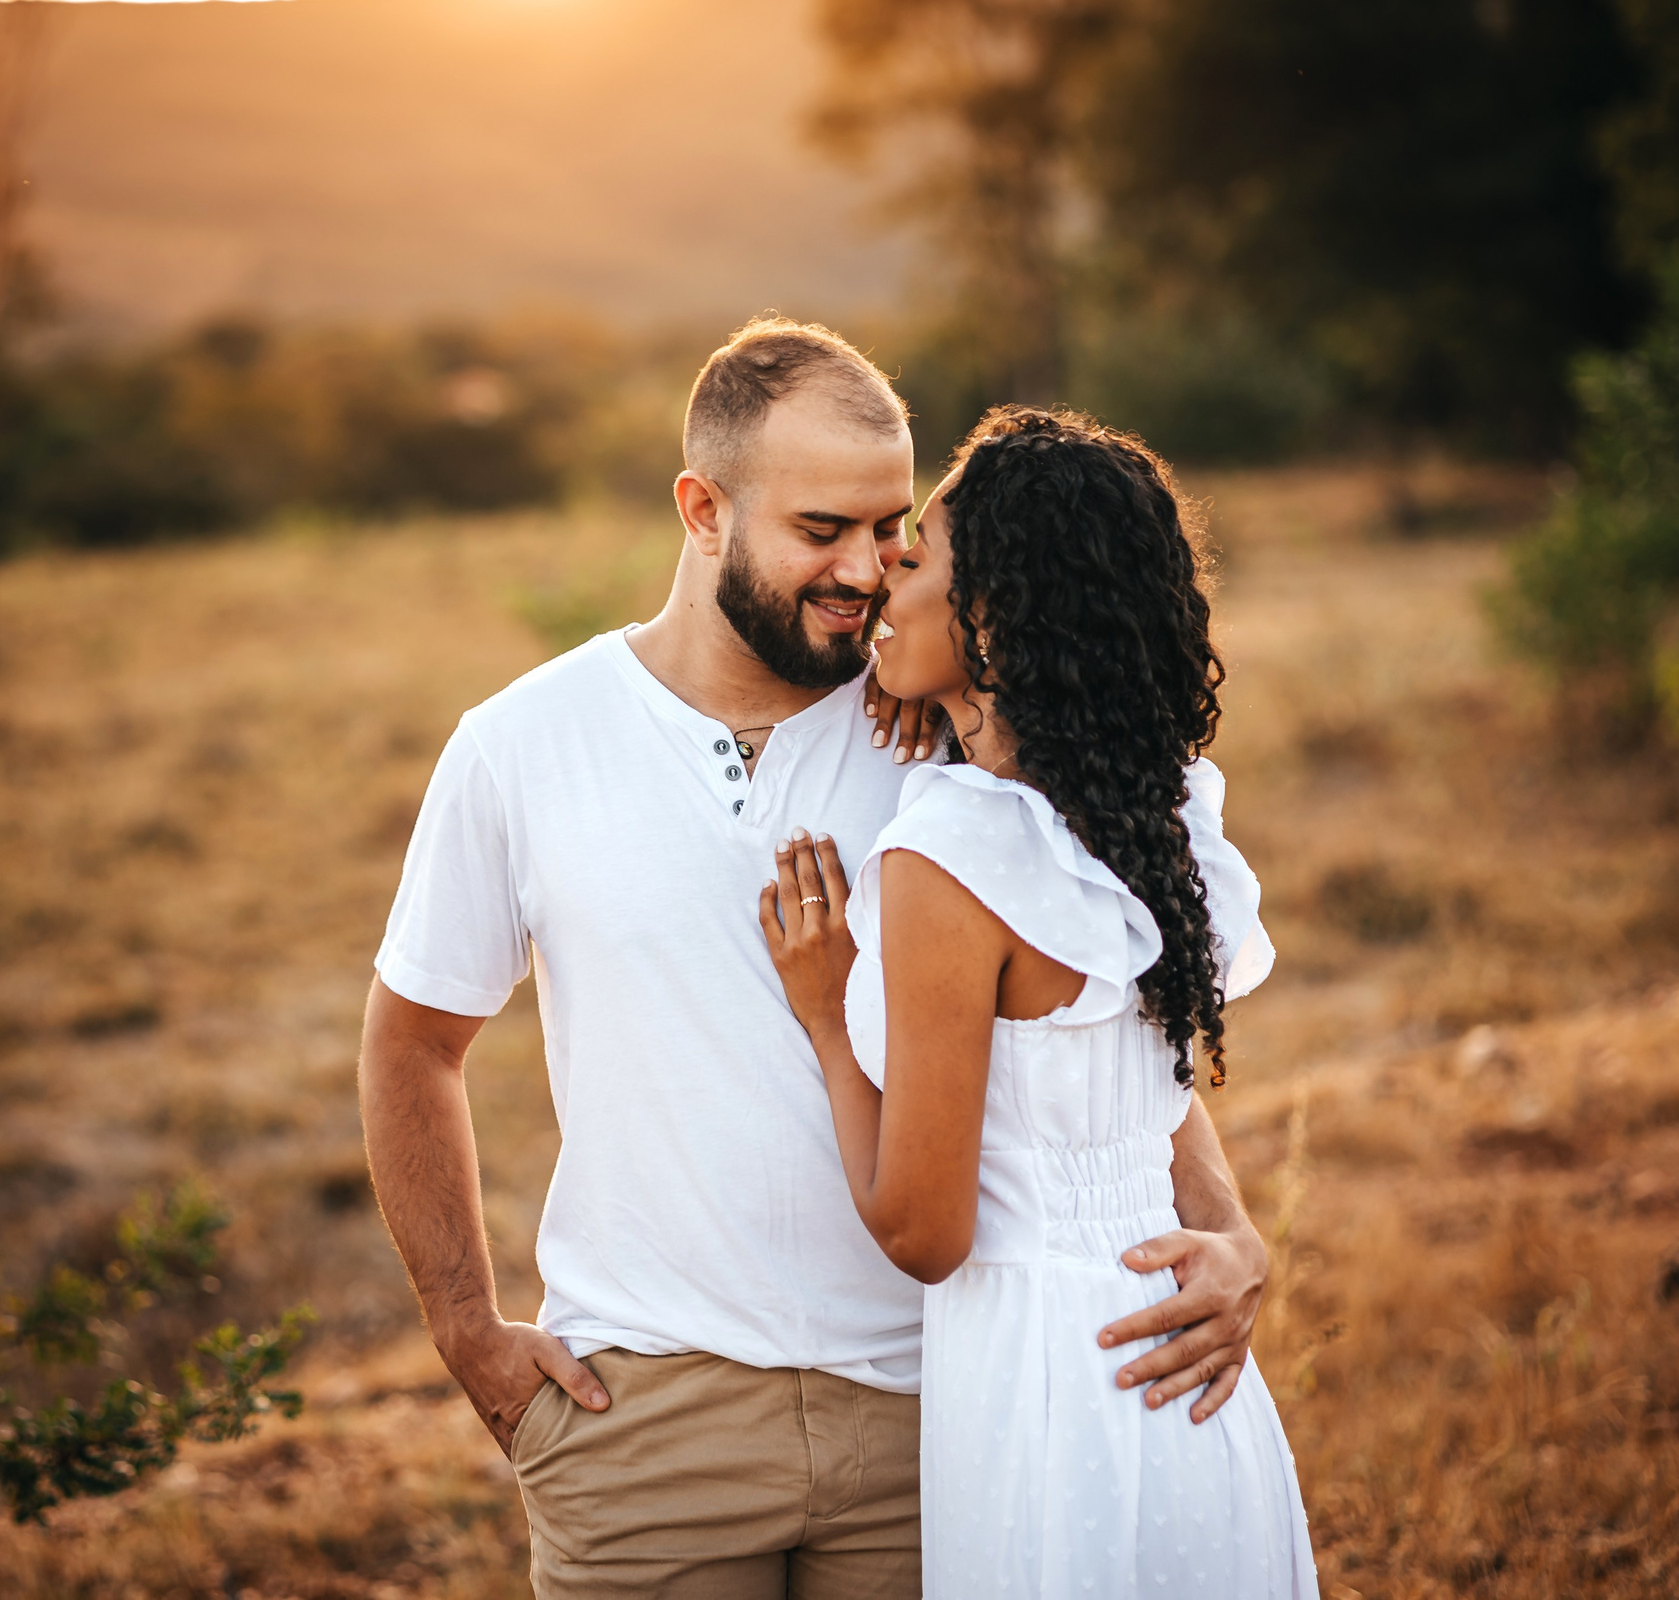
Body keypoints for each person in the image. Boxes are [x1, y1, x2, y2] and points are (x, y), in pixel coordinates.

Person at [359, 319, 1276, 1599]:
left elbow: (1093, 1024)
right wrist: (467, 1332)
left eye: (892, 528)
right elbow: (414, 1041)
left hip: (936, 1406)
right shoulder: (523, 743)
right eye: (820, 531)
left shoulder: (950, 728)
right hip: (645, 1419)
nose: (866, 569)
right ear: (701, 510)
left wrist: (1226, 1233)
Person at [759, 406, 1319, 1599]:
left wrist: (824, 1013)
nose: (879, 585)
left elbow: (926, 1230)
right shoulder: (1147, 817)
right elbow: (1135, 1101)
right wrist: (953, 699)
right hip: (1185, 1369)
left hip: (1047, 1386)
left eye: (914, 561)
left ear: (998, 615)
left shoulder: (948, 862)